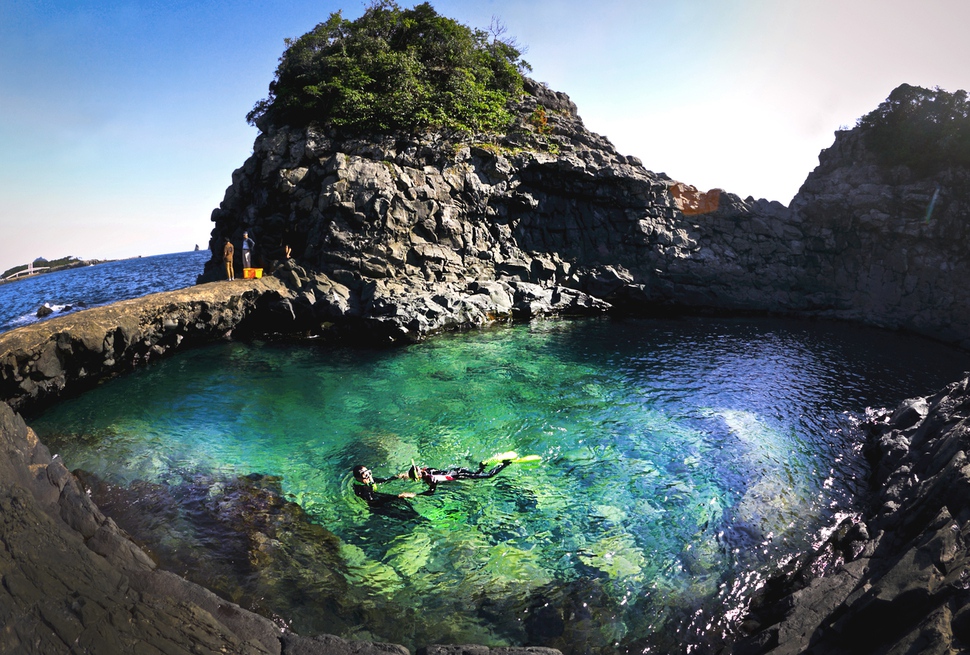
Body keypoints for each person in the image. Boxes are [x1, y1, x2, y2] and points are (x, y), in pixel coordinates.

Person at [405, 458, 512, 494]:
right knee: (476, 477)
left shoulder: (432, 479)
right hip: (457, 471)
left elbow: (431, 492)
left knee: (489, 476)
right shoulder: (428, 470)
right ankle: (481, 466)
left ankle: (504, 464)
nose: (419, 467)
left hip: (460, 474)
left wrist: (415, 495)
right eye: (417, 468)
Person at [352, 464, 418, 507]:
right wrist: (398, 496)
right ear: (358, 478)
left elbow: (384, 480)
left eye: (369, 473)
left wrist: (399, 476)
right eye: (365, 475)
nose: (369, 477)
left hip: (381, 499)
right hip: (379, 507)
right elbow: (373, 502)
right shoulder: (362, 489)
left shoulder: (368, 480)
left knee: (405, 503)